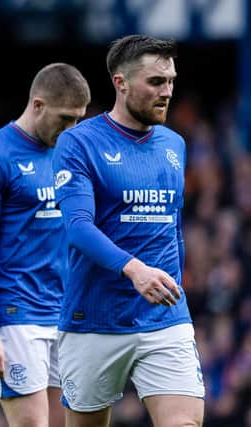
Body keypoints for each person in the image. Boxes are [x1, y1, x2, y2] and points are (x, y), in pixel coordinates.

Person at [52, 35, 205, 427]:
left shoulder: (174, 144)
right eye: (155, 82)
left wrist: (176, 284)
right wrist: (135, 270)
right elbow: (78, 227)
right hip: (93, 319)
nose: (167, 91)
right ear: (120, 83)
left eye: (170, 81)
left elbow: (173, 226)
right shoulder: (78, 142)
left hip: (163, 318)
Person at [0, 63, 90, 427]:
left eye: (79, 119)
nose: (72, 129)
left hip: (66, 314)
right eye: (65, 118)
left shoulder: (71, 153)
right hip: (17, 315)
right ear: (37, 105)